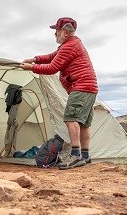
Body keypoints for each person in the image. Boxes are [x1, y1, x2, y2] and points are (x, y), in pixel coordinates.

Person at [20, 17, 98, 170]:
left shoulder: (70, 46)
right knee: (83, 124)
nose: (55, 34)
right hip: (89, 88)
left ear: (66, 32)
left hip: (80, 87)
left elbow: (52, 67)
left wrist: (31, 68)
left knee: (70, 118)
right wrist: (34, 59)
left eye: (57, 31)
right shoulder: (71, 44)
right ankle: (85, 156)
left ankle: (76, 156)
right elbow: (51, 57)